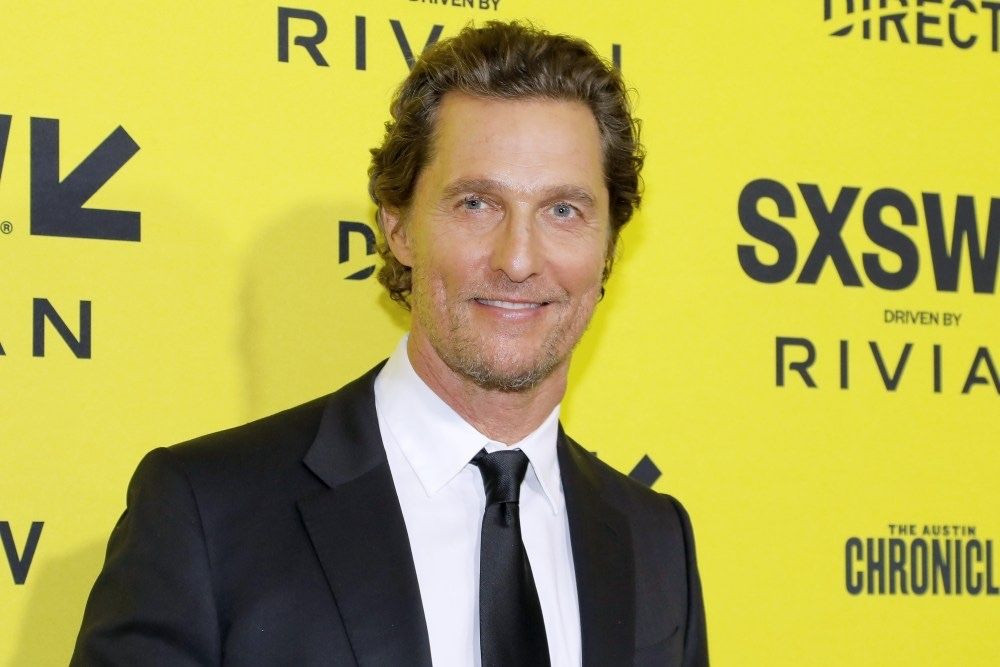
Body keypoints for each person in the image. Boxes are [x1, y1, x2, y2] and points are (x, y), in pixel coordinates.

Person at [72, 20, 708, 667]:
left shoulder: (655, 541)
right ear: (397, 226)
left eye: (563, 211)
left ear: (608, 247)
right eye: (477, 204)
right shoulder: (205, 513)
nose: (518, 259)